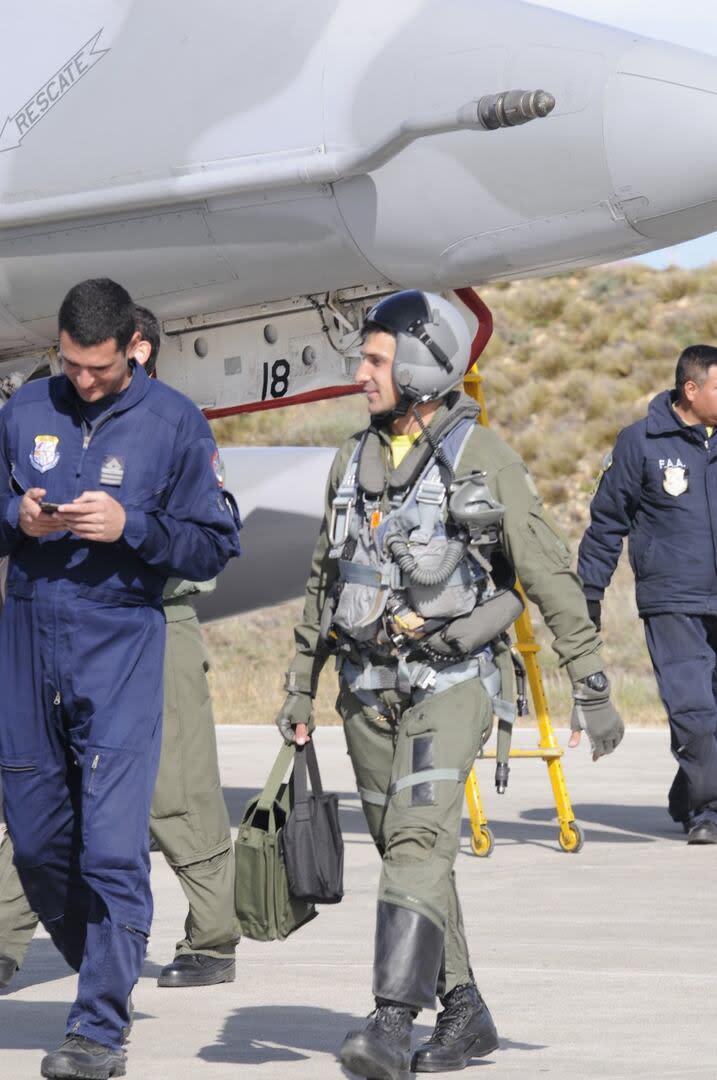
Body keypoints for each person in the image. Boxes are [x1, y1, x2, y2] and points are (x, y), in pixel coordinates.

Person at [274, 289, 623, 1080]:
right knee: (413, 851)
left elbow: (547, 573)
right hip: (364, 688)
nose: (358, 373)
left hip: (452, 679)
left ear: (423, 367)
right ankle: (462, 1010)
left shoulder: (483, 459)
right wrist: (300, 686)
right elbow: (322, 582)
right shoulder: (350, 460)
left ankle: (391, 1023)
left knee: (416, 841)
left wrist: (591, 686)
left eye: (373, 360)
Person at [0, 279, 240, 1079]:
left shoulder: (175, 425)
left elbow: (212, 545)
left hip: (121, 638)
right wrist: (19, 518)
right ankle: (106, 960)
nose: (83, 381)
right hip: (30, 633)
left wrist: (131, 526)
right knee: (34, 838)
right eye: (70, 364)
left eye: (97, 368)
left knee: (110, 849)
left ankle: (98, 1029)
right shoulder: (27, 411)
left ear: (133, 346)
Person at [578, 344, 717, 845]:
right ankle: (708, 811)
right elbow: (606, 523)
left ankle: (689, 794)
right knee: (695, 712)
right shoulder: (640, 443)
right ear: (692, 389)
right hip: (673, 603)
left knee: (712, 717)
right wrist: (589, 592)